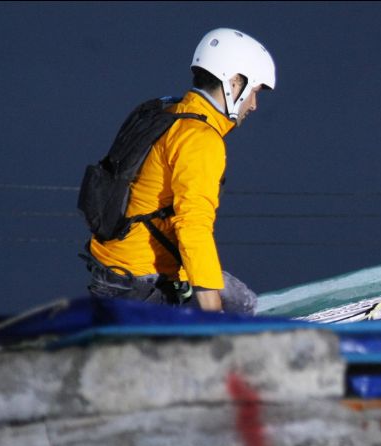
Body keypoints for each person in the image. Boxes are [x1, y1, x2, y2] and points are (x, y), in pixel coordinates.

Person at [80, 28, 275, 314]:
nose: (255, 105)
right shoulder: (200, 139)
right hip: (141, 285)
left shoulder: (167, 114)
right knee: (242, 310)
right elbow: (193, 227)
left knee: (238, 299)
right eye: (254, 92)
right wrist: (213, 317)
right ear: (234, 82)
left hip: (114, 271)